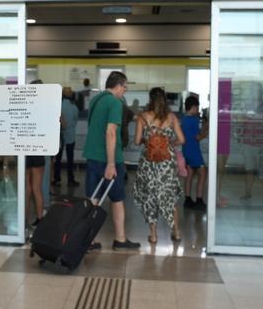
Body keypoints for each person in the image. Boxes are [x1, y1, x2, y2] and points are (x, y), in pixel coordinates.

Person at [83, 71, 140, 250]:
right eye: (125, 87)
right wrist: (111, 163)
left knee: (93, 199)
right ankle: (120, 240)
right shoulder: (115, 103)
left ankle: (88, 240)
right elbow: (111, 132)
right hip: (108, 159)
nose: (125, 90)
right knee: (117, 199)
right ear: (119, 85)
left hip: (91, 156)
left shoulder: (95, 100)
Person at [134, 88, 185, 243]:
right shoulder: (172, 118)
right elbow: (182, 140)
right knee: (169, 197)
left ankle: (154, 235)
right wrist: (169, 143)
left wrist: (147, 141)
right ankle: (176, 232)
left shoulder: (142, 118)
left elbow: (136, 141)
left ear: (150, 99)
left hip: (148, 164)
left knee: (150, 197)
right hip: (167, 164)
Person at [26, 79, 46, 224]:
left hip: (25, 150)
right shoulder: (45, 108)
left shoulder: (24, 106)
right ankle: (39, 219)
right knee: (37, 189)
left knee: (26, 189)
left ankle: (24, 220)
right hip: (38, 150)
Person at [181, 96, 205, 209]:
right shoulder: (194, 120)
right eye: (197, 107)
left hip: (186, 150)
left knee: (189, 175)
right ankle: (199, 199)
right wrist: (208, 130)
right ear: (194, 107)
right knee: (203, 173)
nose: (198, 110)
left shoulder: (183, 119)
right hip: (195, 151)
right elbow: (198, 137)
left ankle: (187, 199)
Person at [54, 86, 79, 187]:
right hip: (70, 135)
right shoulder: (74, 107)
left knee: (58, 158)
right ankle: (70, 179)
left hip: (58, 135)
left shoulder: (57, 106)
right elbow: (75, 120)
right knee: (70, 159)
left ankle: (56, 179)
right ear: (71, 94)